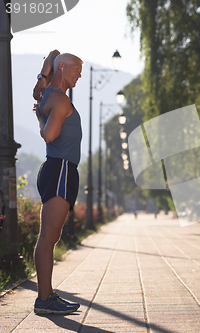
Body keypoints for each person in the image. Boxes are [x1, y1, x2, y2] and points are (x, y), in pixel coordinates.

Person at [32, 50, 83, 314]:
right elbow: (50, 135)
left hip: (58, 168)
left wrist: (43, 76)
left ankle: (46, 295)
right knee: (49, 237)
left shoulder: (49, 94)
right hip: (61, 168)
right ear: (62, 67)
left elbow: (52, 53)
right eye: (75, 69)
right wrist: (41, 119)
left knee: (50, 236)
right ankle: (44, 299)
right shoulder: (60, 100)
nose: (79, 75)